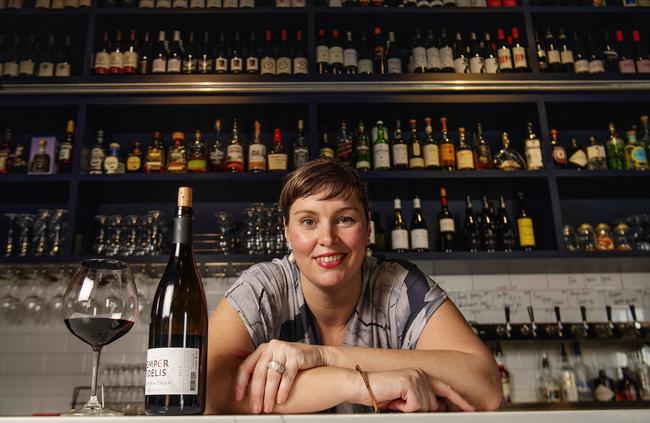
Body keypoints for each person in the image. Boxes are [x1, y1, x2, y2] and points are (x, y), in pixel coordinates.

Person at [206, 159, 501, 414]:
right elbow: (203, 388)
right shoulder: (264, 287)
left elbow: (485, 387)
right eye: (308, 221)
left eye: (345, 219)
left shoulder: (398, 286)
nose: (328, 238)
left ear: (368, 226)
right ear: (287, 231)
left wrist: (327, 356)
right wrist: (359, 383)